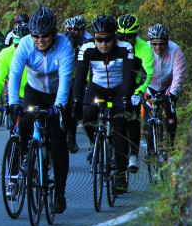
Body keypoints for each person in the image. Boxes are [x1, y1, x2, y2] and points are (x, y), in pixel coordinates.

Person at [8, 7, 74, 214]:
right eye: (35, 35)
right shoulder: (26, 45)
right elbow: (15, 74)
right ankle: (23, 158)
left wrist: (59, 106)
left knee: (57, 141)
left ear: (54, 33)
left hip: (57, 94)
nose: (39, 39)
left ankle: (60, 194)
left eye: (44, 35)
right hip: (34, 90)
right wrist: (13, 103)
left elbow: (65, 80)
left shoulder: (64, 46)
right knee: (24, 124)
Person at [73, 15, 134, 193]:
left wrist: (125, 98)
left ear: (115, 37)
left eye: (107, 39)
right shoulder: (87, 48)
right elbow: (80, 78)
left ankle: (120, 176)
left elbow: (128, 77)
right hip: (97, 86)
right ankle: (95, 143)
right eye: (99, 39)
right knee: (87, 113)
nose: (103, 44)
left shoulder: (125, 48)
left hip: (118, 87)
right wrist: (76, 98)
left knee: (120, 128)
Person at [117, 14, 154, 172]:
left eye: (129, 36)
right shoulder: (113, 44)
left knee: (132, 116)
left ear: (136, 34)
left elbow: (147, 72)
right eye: (121, 36)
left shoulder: (144, 48)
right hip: (115, 84)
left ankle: (133, 154)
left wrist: (139, 91)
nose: (125, 39)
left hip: (135, 85)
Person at [145, 23, 187, 146]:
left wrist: (173, 93)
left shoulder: (175, 51)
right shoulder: (145, 50)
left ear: (167, 42)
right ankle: (150, 149)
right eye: (154, 44)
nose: (158, 47)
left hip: (168, 85)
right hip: (150, 85)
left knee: (170, 110)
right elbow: (138, 72)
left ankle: (171, 145)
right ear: (150, 43)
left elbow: (179, 74)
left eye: (161, 43)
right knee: (147, 116)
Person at [0, 23, 30, 125]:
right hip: (16, 94)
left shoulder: (39, 53)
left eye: (25, 46)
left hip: (36, 94)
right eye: (17, 46)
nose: (20, 50)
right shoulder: (6, 54)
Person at [60, 30, 82, 153]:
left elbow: (83, 71)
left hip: (74, 82)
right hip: (60, 82)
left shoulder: (79, 54)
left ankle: (71, 140)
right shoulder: (58, 51)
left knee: (73, 110)